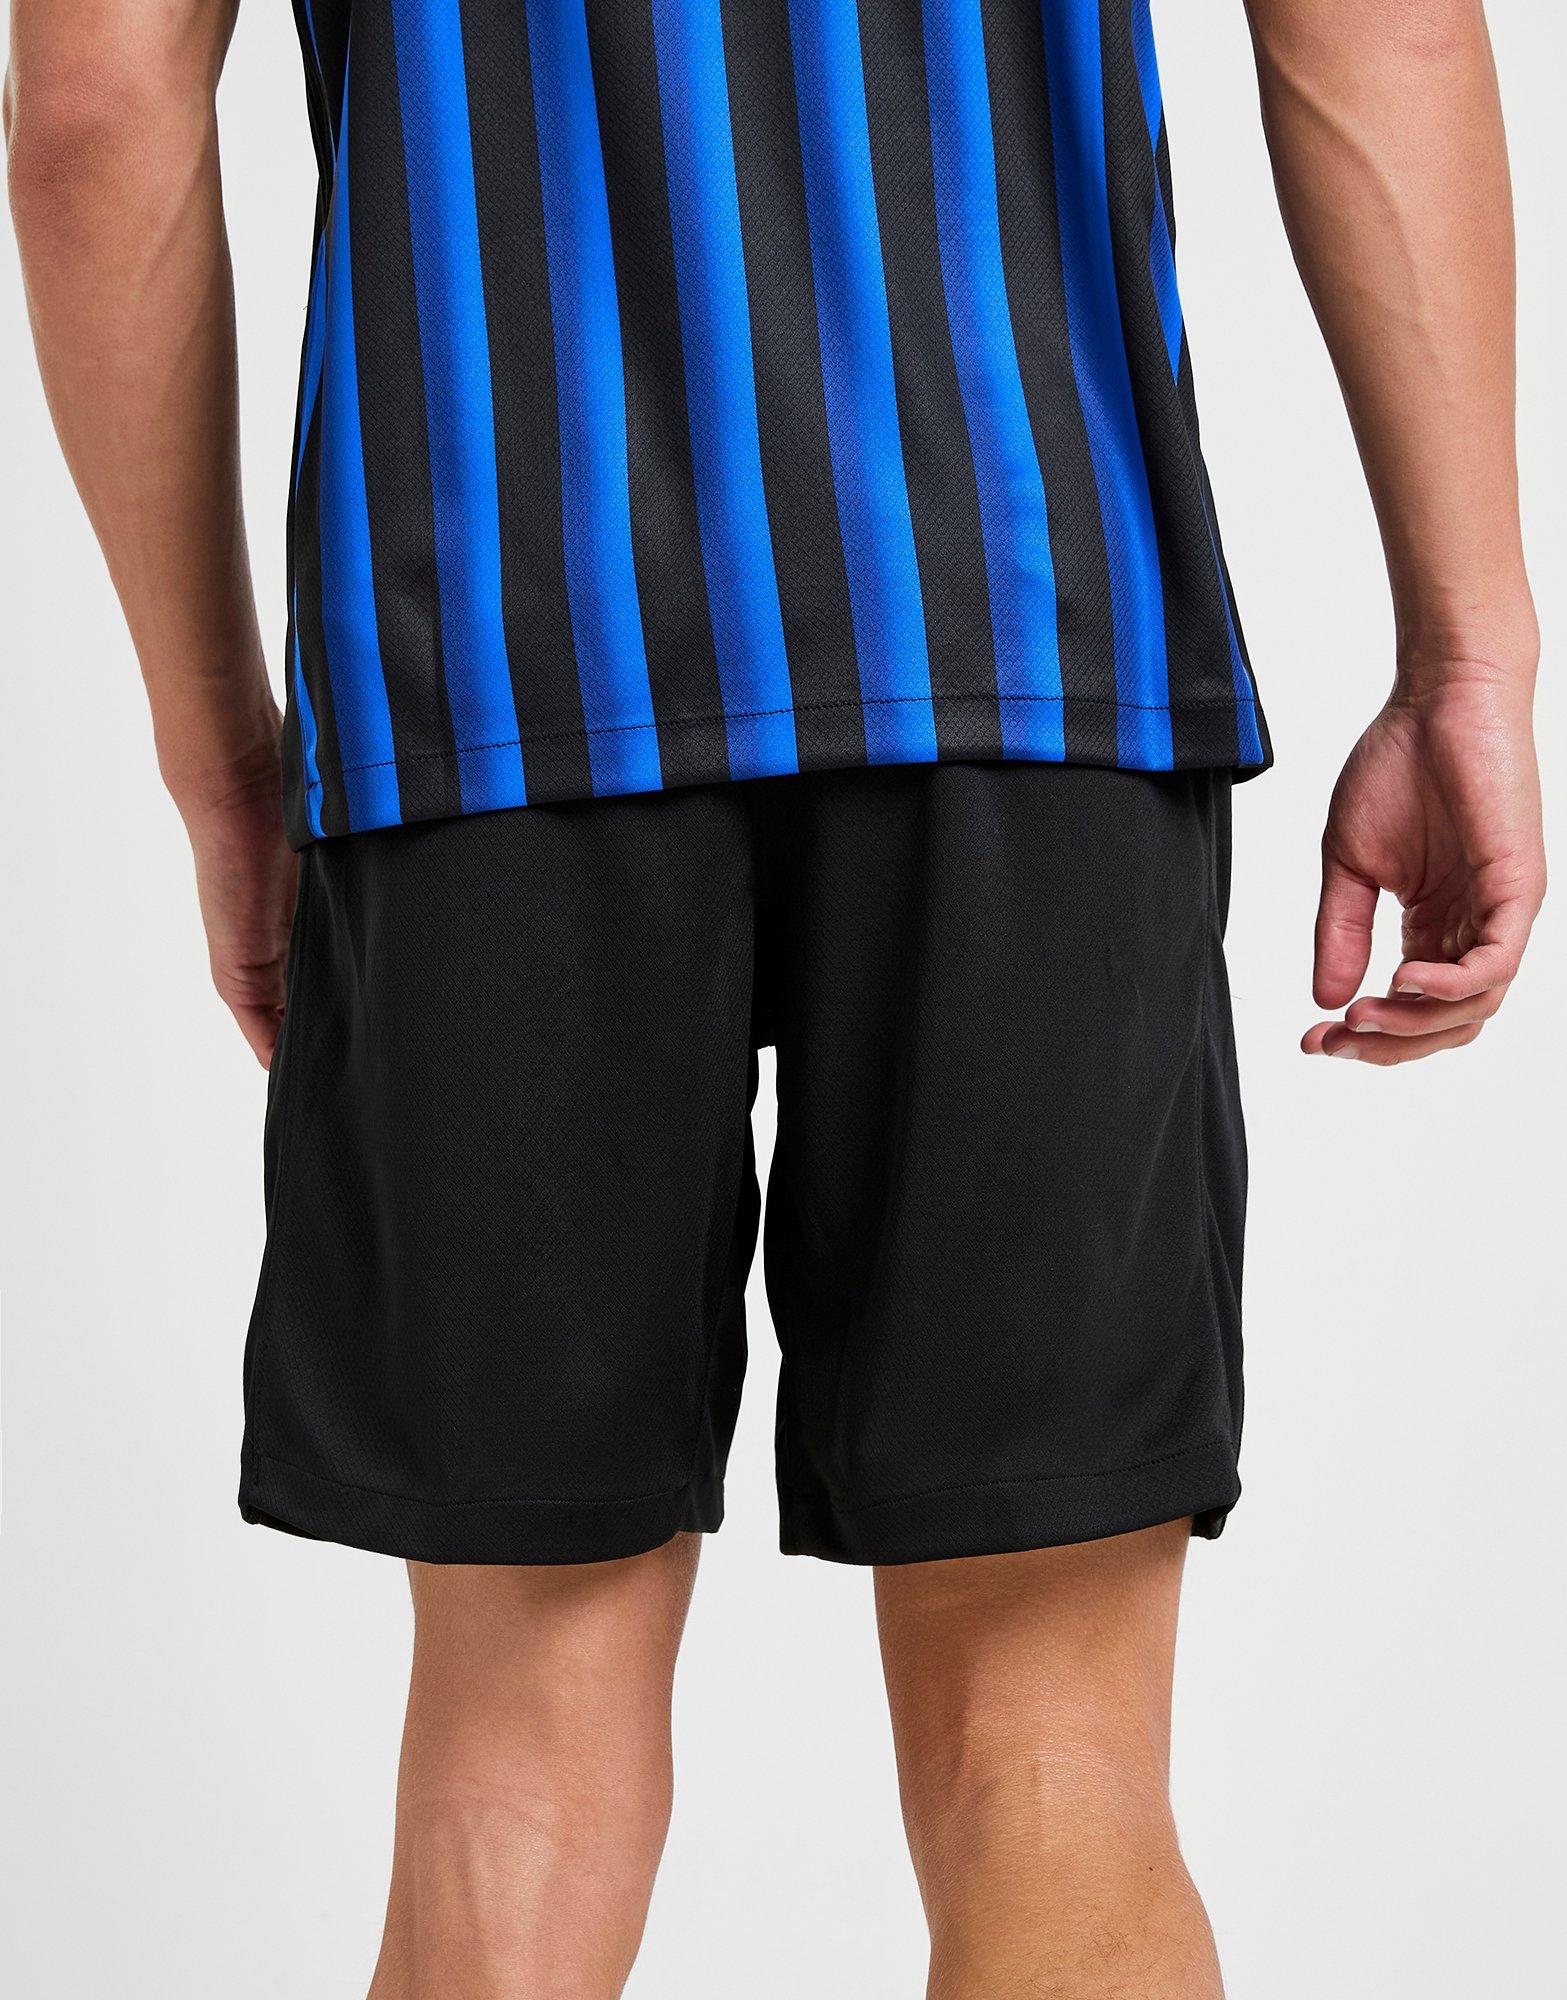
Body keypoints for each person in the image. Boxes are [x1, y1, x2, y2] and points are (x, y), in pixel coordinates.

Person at [6, 0, 1544, 1991]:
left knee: (509, 1786)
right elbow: (1382, 30)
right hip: (1023, 619)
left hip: (488, 655)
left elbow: (92, 106)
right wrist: (1467, 656)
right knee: (1052, 1764)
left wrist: (221, 747)